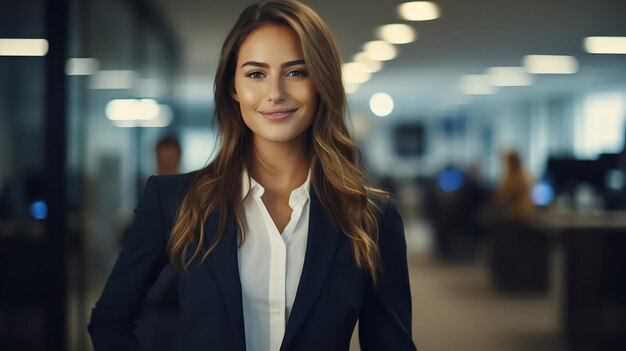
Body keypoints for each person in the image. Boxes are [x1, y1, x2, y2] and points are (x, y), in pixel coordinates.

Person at [87, 1, 415, 350]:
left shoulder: (370, 217)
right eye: (256, 74)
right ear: (233, 88)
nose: (275, 93)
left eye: (296, 72)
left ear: (322, 82)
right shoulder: (173, 201)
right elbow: (111, 322)